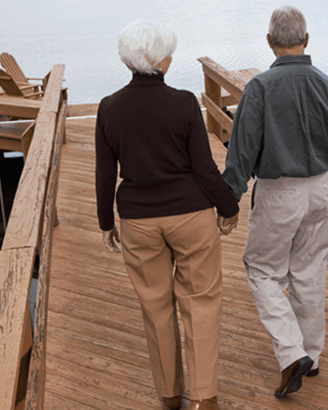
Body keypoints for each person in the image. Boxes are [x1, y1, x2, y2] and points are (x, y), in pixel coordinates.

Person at [95, 19, 239, 410]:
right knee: (201, 301)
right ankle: (204, 398)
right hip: (191, 215)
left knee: (155, 305)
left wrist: (106, 222)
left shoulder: (108, 108)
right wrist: (228, 207)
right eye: (169, 52)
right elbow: (204, 168)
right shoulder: (184, 102)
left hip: (138, 220)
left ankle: (170, 394)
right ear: (160, 61)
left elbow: (105, 172)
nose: (172, 57)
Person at [220, 5, 328, 398]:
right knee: (309, 270)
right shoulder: (326, 83)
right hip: (322, 184)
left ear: (270, 41)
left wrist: (229, 199)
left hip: (281, 190)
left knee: (263, 270)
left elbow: (241, 151)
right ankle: (312, 354)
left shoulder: (259, 88)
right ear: (305, 40)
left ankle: (293, 353)